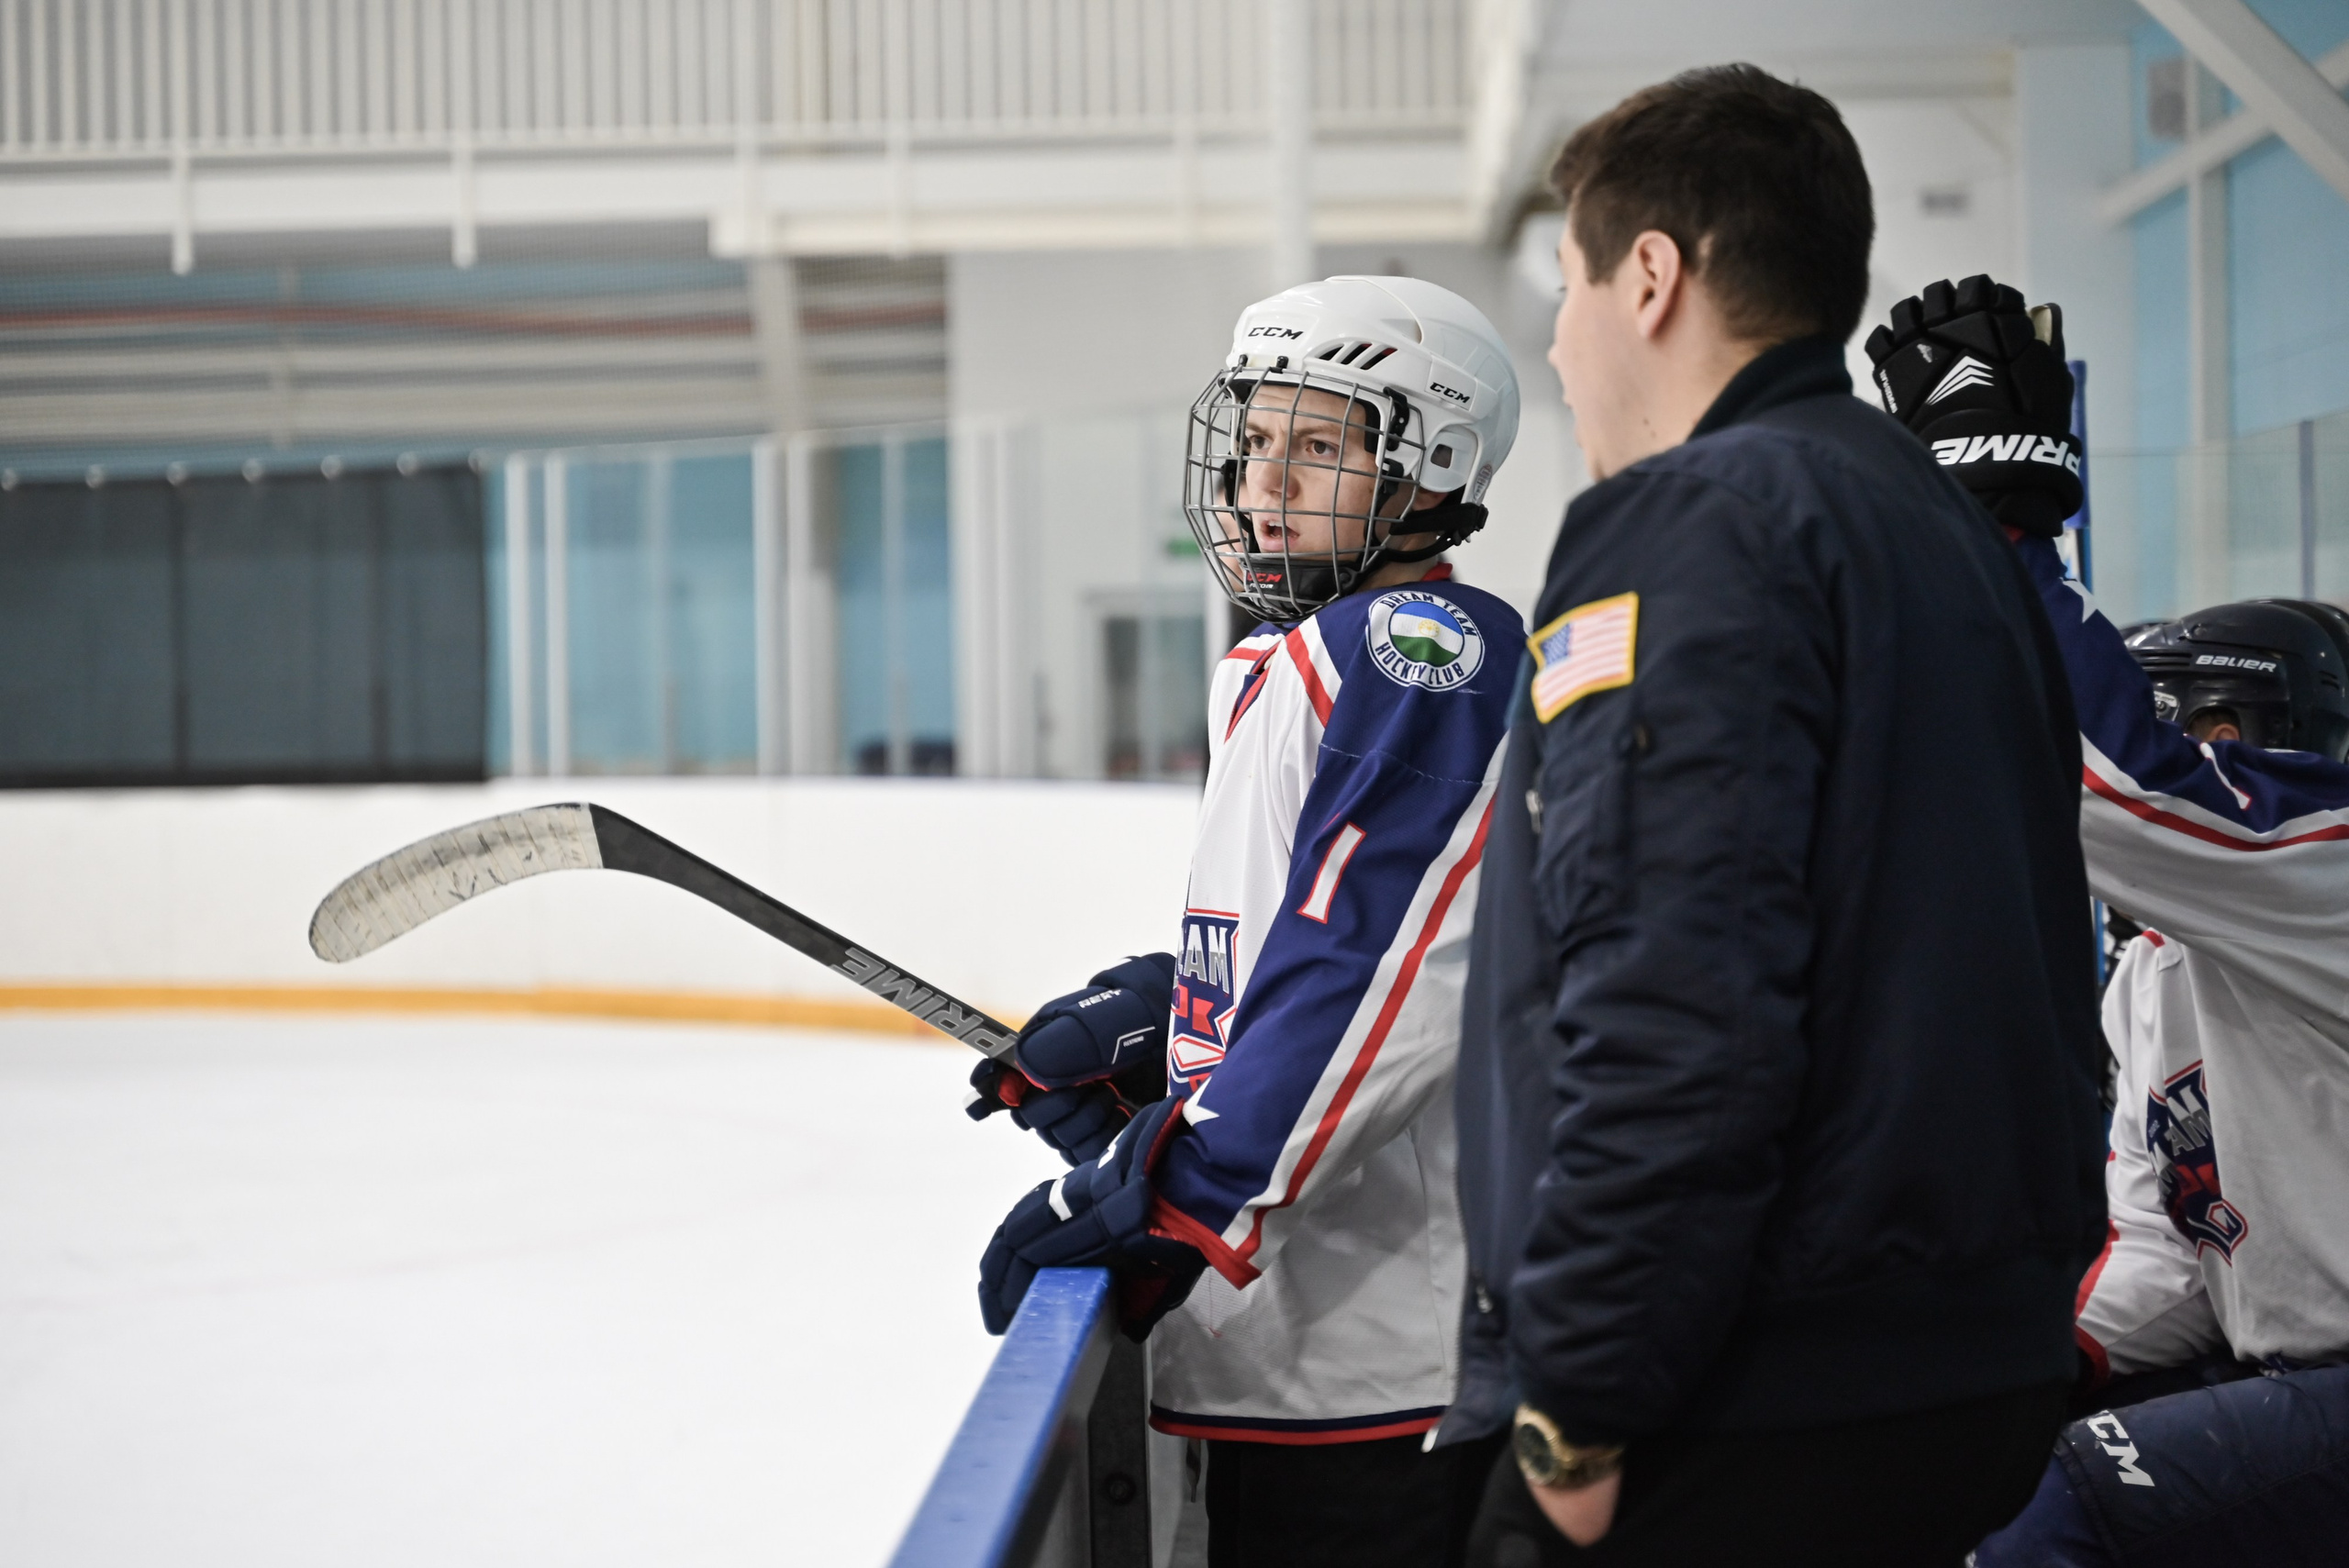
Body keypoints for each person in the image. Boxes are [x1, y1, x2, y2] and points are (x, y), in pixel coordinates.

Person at [1441, 67, 2109, 1567]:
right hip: (1962, 1360)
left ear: (1655, 276)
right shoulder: (1936, 526)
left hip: (1746, 1389)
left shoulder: (1698, 526)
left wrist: (1579, 1405)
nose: (1557, 340)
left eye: (1569, 284)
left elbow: (1678, 995)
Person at [968, 273, 1527, 1565]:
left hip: (1390, 1367)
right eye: (1258, 438)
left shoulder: (1419, 646)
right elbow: (1325, 933)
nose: (1264, 480)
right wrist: (1170, 1012)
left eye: (1321, 446)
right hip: (1303, 1352)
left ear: (1430, 470)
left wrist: (1184, 1188)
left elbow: (1382, 976)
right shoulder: (1297, 661)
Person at [1865, 277, 2349, 1563]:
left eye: (2214, 724)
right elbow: (2177, 1242)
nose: (2181, 747)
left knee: (2060, 1502)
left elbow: (2109, 781)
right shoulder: (2158, 965)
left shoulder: (2332, 874)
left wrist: (2001, 519)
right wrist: (2027, 1366)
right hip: (2296, 1377)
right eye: (2167, 713)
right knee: (1969, 1457)